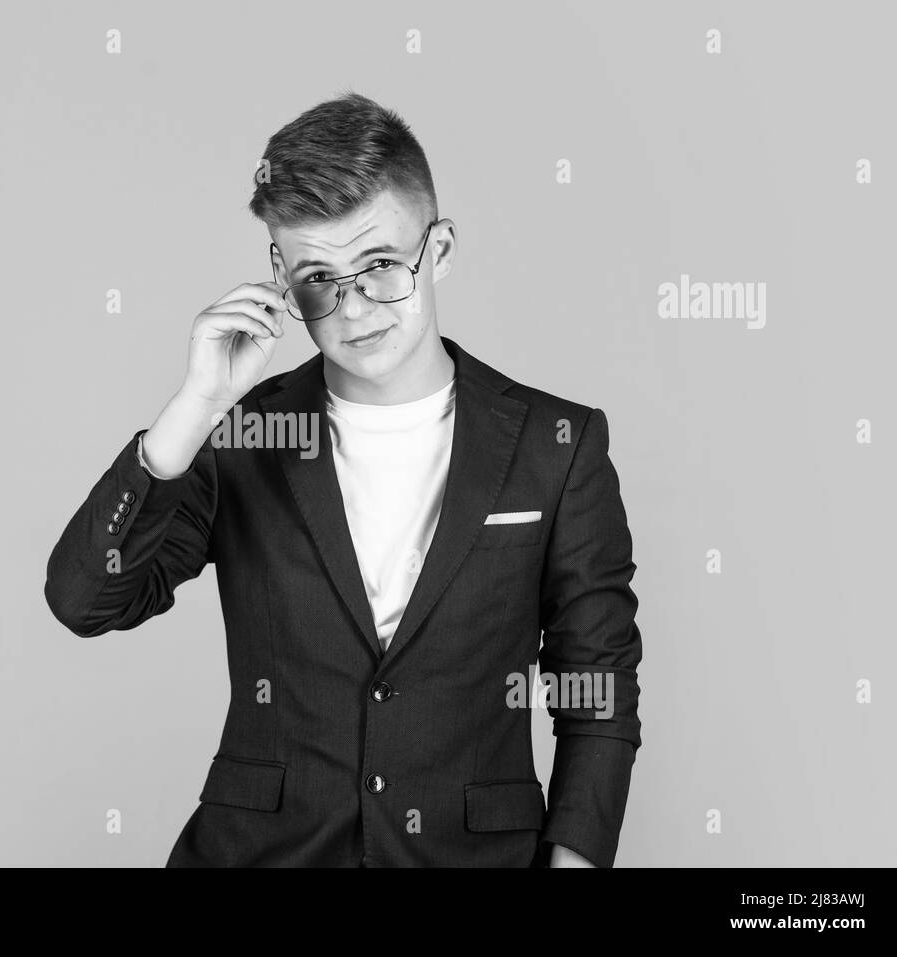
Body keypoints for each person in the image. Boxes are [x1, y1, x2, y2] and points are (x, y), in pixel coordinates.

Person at [45, 91, 643, 868]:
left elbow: (594, 691)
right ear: (278, 276)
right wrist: (194, 406)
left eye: (382, 266)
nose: (354, 307)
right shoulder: (238, 437)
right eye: (318, 278)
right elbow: (85, 599)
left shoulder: (556, 445)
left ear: (443, 249)